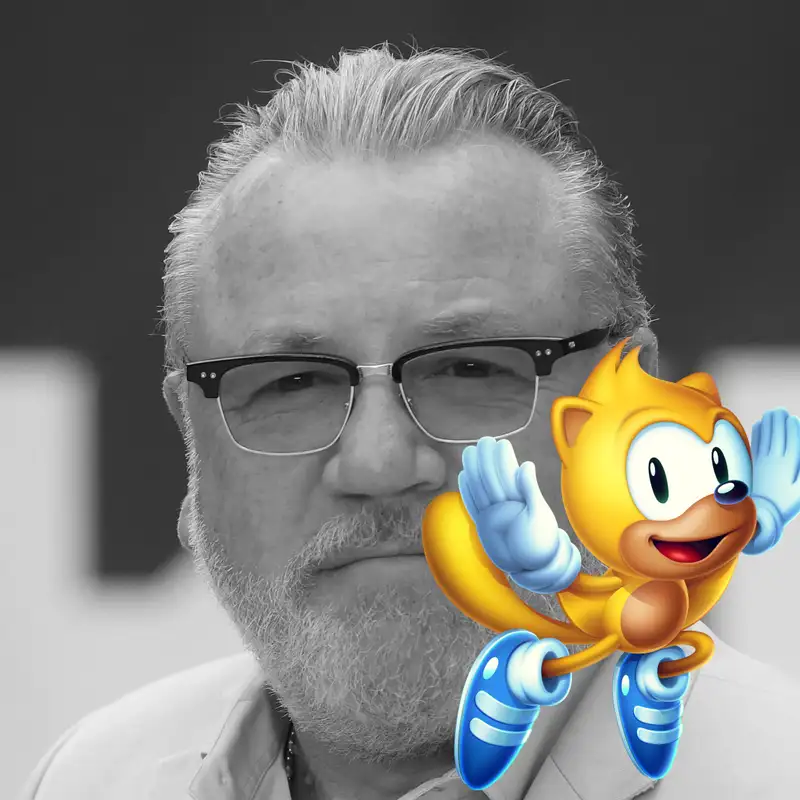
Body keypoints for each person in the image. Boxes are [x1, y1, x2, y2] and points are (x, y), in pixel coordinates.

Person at [19, 44, 799, 800]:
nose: (379, 464)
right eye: (293, 382)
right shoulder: (90, 780)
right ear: (192, 443)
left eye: (469, 370)